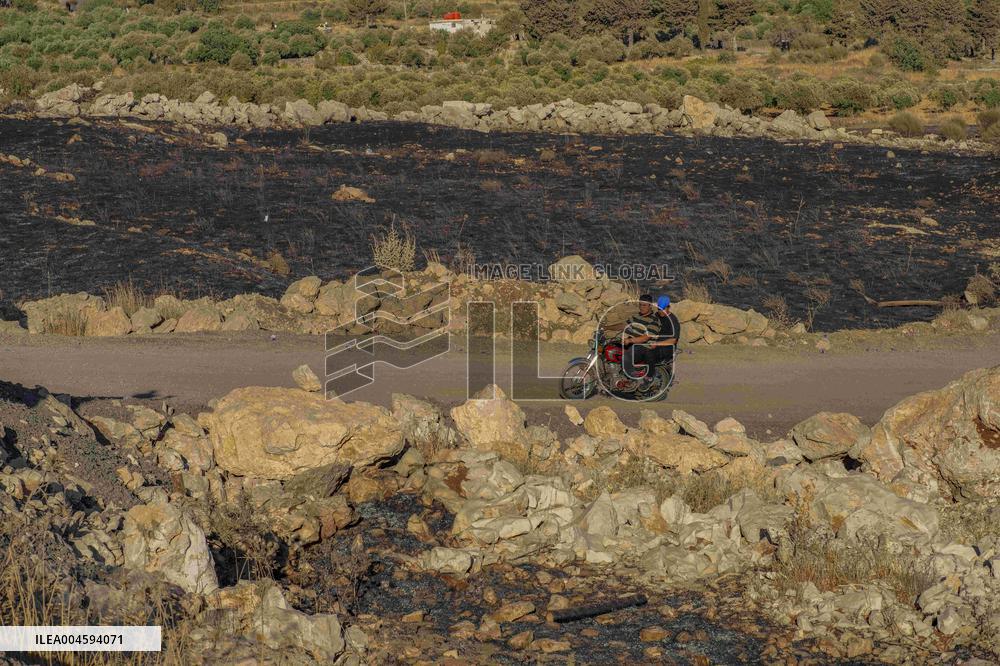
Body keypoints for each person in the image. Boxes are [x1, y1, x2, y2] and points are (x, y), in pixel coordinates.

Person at [621, 294, 662, 389]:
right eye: (640, 305)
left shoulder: (654, 320)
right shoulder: (636, 316)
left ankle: (632, 380)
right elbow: (623, 325)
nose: (642, 307)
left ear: (650, 306)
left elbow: (645, 338)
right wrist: (606, 328)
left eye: (644, 305)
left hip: (645, 347)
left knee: (626, 356)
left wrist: (630, 340)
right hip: (635, 345)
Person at [650, 295, 680, 375]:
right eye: (659, 309)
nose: (661, 311)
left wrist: (657, 344)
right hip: (655, 344)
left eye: (663, 309)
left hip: (667, 348)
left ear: (668, 307)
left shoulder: (673, 320)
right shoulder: (656, 316)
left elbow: (673, 340)